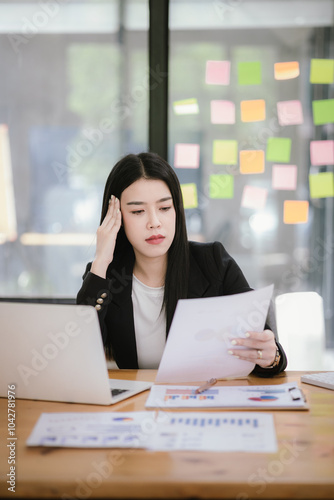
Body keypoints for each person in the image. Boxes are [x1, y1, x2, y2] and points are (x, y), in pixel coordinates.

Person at [77, 152, 287, 376]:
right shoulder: (104, 276)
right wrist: (100, 262)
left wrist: (270, 356)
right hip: (138, 403)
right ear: (116, 218)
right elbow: (79, 353)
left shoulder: (213, 262)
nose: (154, 223)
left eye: (165, 208)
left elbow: (265, 352)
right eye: (138, 211)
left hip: (203, 401)